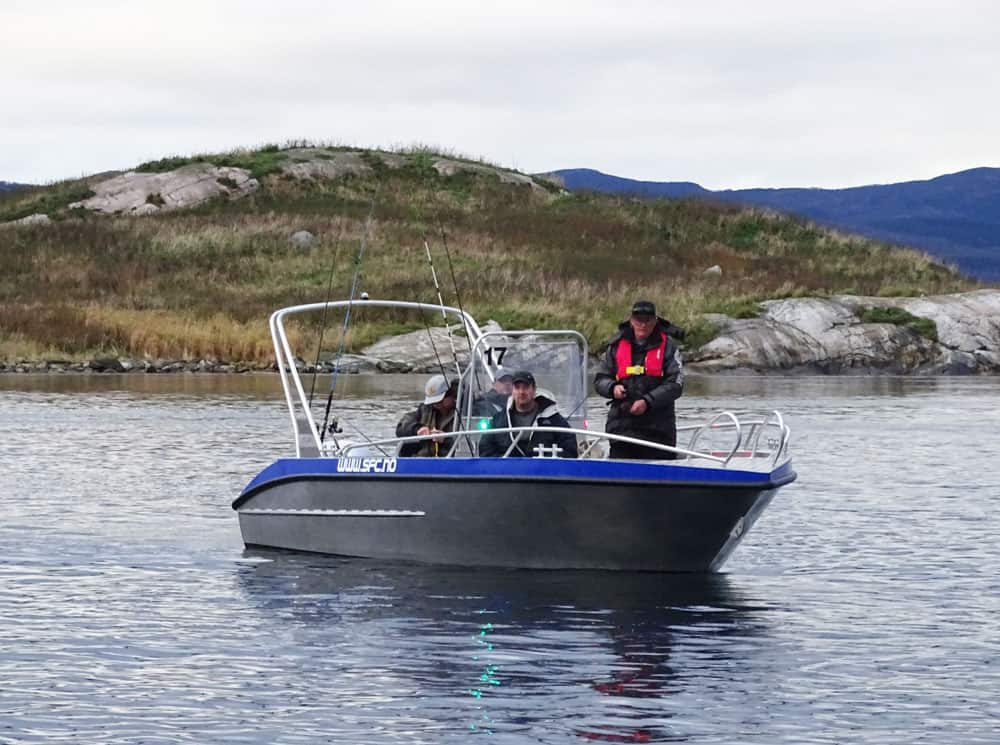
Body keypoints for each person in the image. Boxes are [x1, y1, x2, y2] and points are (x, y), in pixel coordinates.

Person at [594, 300, 684, 460]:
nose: (642, 325)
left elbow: (676, 384)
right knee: (620, 474)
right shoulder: (615, 346)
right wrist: (613, 388)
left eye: (647, 320)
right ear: (631, 320)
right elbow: (600, 379)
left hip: (658, 431)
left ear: (655, 321)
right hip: (622, 429)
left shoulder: (668, 346)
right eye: (638, 320)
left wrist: (647, 401)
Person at [479, 370, 579, 458]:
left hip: (544, 474)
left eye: (526, 387)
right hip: (507, 475)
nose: (521, 392)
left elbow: (570, 449)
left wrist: (547, 462)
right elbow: (485, 450)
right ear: (512, 391)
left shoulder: (553, 418)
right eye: (517, 388)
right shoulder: (498, 420)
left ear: (534, 389)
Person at [396, 373, 458, 457]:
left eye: (439, 401)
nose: (436, 405)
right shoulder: (425, 409)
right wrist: (418, 429)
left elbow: (471, 443)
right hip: (422, 461)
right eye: (433, 402)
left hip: (452, 462)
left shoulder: (466, 411)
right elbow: (402, 425)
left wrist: (446, 439)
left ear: (451, 396)